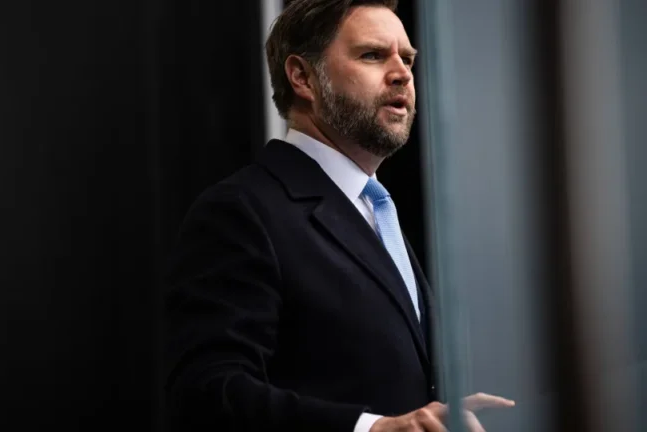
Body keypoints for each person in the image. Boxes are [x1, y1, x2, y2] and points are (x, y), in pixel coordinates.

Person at [163, 1, 514, 431]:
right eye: (373, 55)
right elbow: (206, 393)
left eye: (407, 59)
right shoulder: (241, 211)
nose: (402, 74)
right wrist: (370, 428)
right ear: (303, 77)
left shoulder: (376, 208)